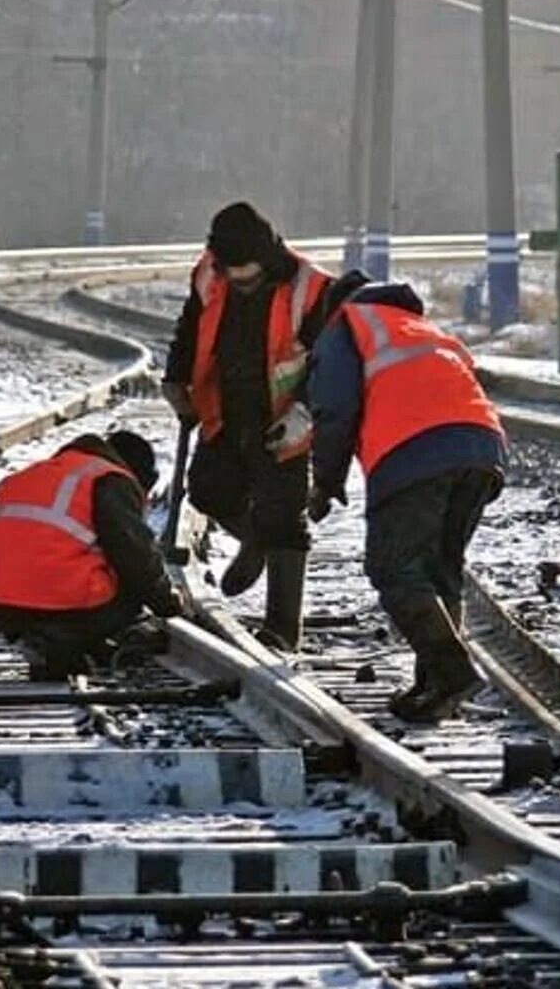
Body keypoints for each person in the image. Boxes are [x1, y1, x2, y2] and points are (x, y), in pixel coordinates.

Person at [306, 273, 508, 721]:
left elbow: (335, 409)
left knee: (393, 568)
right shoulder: (420, 327)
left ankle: (453, 671)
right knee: (439, 570)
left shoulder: (347, 325)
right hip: (482, 449)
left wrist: (324, 483)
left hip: (414, 449)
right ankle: (434, 687)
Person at [161, 202, 332, 651]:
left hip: (283, 416)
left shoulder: (309, 288)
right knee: (209, 490)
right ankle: (254, 540)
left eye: (248, 275)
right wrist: (175, 379)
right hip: (224, 406)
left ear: (268, 257)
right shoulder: (210, 274)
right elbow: (190, 329)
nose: (239, 282)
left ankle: (282, 630)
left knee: (284, 516)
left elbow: (330, 368)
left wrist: (303, 416)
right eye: (232, 274)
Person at [0, 430, 187, 678]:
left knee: (85, 558)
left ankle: (45, 634)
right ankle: (66, 636)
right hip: (59, 598)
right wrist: (167, 603)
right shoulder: (111, 479)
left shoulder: (43, 472)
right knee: (129, 582)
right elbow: (135, 555)